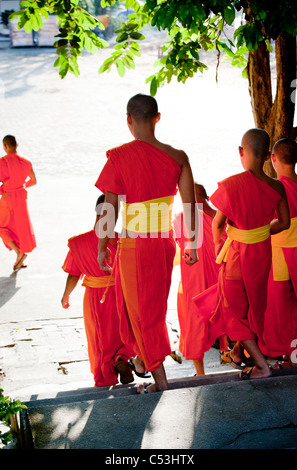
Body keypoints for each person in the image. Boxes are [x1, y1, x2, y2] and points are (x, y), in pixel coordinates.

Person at [95, 93, 198, 394]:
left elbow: (109, 209)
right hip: (165, 243)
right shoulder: (178, 157)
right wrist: (191, 243)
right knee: (151, 309)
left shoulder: (119, 156)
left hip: (135, 246)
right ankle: (143, 360)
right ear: (157, 117)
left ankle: (160, 381)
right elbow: (190, 205)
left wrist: (102, 247)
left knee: (141, 314)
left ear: (129, 120)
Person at [196, 128, 290, 380]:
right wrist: (258, 234)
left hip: (236, 258)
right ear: (269, 156)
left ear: (241, 152)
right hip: (262, 256)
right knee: (255, 307)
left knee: (232, 311)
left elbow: (217, 225)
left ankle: (261, 365)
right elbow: (284, 223)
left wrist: (222, 250)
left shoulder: (231, 185)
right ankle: (239, 353)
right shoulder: (277, 186)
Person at [61, 194, 135, 387]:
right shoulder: (121, 239)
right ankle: (121, 357)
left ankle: (104, 376)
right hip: (120, 293)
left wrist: (66, 295)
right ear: (116, 215)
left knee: (99, 338)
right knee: (121, 331)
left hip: (95, 297)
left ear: (96, 212)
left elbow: (73, 274)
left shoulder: (79, 242)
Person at [173, 183, 230, 375]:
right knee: (223, 316)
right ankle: (227, 352)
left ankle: (201, 372)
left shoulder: (180, 219)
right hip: (216, 279)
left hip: (193, 283)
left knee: (193, 324)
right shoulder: (218, 218)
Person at [261, 138, 297, 368]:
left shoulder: (275, 188)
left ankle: (288, 356)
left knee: (280, 309)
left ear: (273, 159)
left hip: (281, 253)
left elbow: (267, 222)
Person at [0, 135, 36, 270]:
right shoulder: (26, 162)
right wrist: (21, 186)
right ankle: (19, 259)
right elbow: (33, 181)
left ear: (5, 146)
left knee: (2, 228)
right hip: (21, 198)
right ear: (17, 145)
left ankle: (18, 252)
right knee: (19, 227)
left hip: (8, 198)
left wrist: (3, 188)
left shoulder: (2, 162)